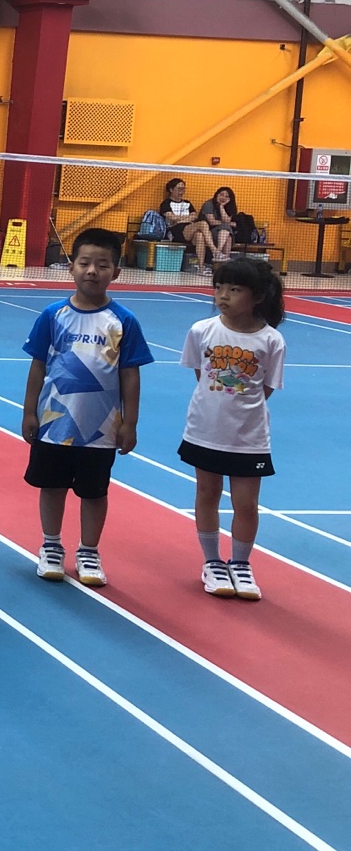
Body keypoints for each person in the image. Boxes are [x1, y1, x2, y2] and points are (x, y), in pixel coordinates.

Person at [20, 228, 153, 589]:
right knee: (52, 486)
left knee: (94, 492)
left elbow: (130, 375)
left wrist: (130, 422)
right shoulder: (53, 315)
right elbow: (37, 366)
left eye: (102, 265)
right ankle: (51, 546)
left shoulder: (123, 321)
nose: (92, 271)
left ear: (116, 272)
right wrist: (29, 411)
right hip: (54, 423)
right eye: (85, 263)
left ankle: (89, 551)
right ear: (71, 267)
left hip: (101, 429)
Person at [181, 257, 285, 602]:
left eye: (234, 289)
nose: (223, 295)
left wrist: (240, 406)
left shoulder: (272, 340)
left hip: (249, 438)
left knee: (246, 504)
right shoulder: (201, 331)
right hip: (205, 430)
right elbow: (202, 376)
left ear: (258, 297)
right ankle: (212, 562)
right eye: (219, 288)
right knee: (207, 493)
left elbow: (265, 389)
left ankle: (240, 563)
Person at [159, 177, 214, 275]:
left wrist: (182, 220)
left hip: (188, 229)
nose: (182, 192)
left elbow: (195, 216)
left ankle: (201, 267)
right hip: (175, 231)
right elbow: (172, 217)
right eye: (179, 189)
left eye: (183, 189)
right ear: (171, 190)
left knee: (199, 236)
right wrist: (187, 218)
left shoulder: (187, 203)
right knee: (203, 223)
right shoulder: (166, 203)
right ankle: (215, 250)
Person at [199, 185, 238, 262]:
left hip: (222, 235)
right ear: (217, 195)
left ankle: (221, 257)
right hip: (208, 232)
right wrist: (229, 224)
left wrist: (221, 207)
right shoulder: (208, 204)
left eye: (226, 196)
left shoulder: (230, 207)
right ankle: (218, 253)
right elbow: (212, 222)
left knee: (228, 236)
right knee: (226, 229)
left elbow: (226, 220)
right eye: (221, 195)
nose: (223, 198)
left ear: (229, 199)